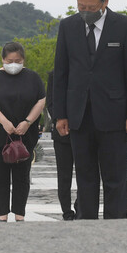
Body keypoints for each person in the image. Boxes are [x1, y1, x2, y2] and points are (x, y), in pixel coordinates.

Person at [52, 0, 127, 219]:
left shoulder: (124, 26)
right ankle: (87, 227)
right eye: (81, 7)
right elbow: (61, 73)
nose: (86, 12)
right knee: (85, 177)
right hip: (78, 115)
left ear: (105, 2)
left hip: (114, 115)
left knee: (115, 178)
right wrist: (59, 114)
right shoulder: (68, 26)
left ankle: (115, 228)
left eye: (91, 7)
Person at [0, 42, 46, 222]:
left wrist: (27, 122)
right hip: (0, 134)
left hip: (25, 133)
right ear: (3, 60)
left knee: (22, 176)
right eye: (10, 60)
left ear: (23, 60)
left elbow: (40, 101)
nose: (14, 63)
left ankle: (19, 213)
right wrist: (4, 122)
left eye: (18, 60)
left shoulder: (33, 78)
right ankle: (2, 213)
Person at [46, 70, 76, 220]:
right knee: (64, 175)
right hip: (62, 133)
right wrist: (60, 118)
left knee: (87, 173)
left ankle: (80, 205)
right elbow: (50, 103)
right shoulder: (54, 74)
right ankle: (66, 211)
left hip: (84, 131)